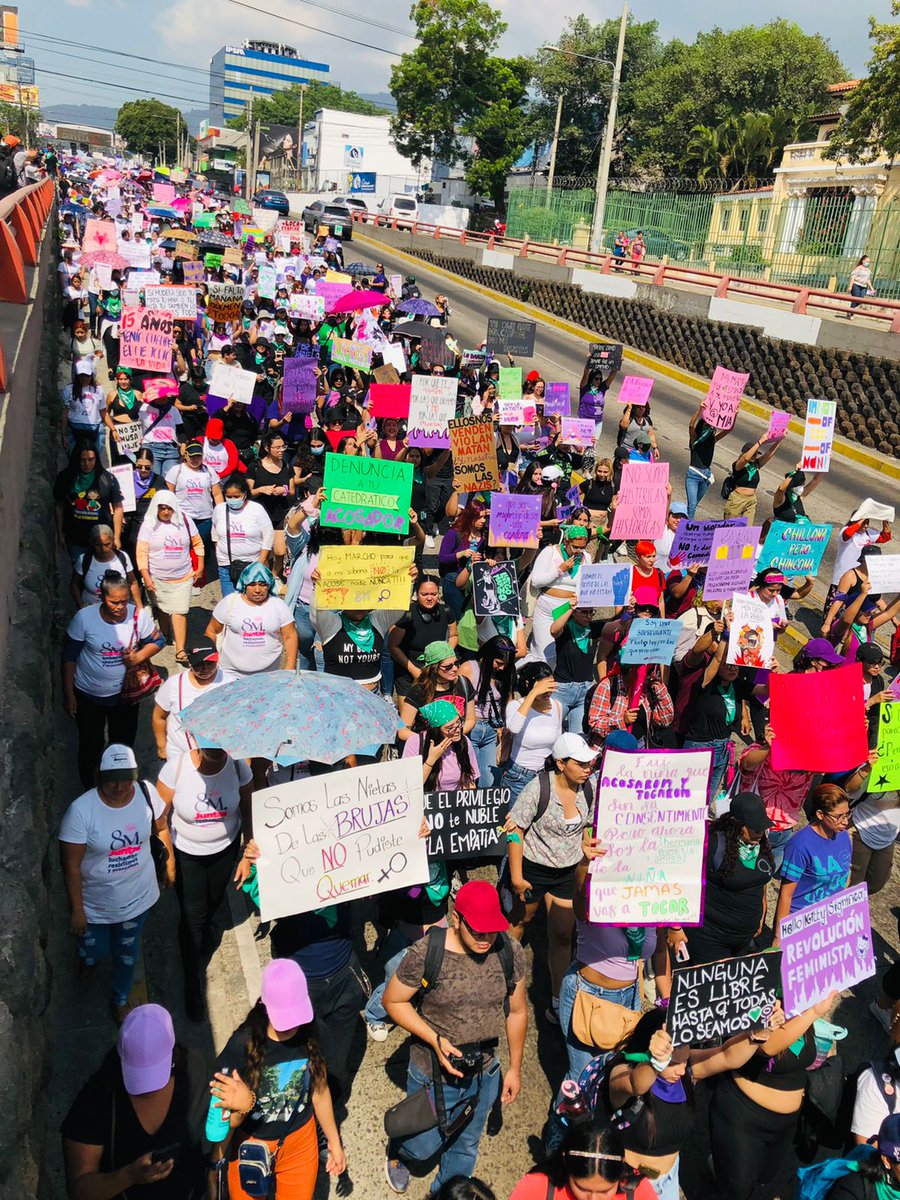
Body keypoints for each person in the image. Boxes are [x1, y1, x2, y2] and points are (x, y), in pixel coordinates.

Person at [383, 881, 527, 1195]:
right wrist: (433, 1039)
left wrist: (514, 1068)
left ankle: (445, 1193)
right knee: (420, 1145)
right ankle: (400, 1153)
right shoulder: (426, 952)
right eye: (477, 930)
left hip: (485, 1072)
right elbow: (393, 1001)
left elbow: (517, 1012)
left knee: (466, 1146)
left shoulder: (509, 951)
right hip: (432, 1072)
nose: (486, 938)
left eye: (492, 930)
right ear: (457, 919)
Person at [208, 959, 346, 1200]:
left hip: (300, 1144)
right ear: (264, 1004)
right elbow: (222, 1119)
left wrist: (334, 1141)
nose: (291, 1027)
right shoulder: (240, 1046)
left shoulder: (313, 1031)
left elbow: (319, 1090)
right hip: (250, 1144)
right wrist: (215, 1164)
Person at [58, 745, 172, 1023]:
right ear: (99, 776)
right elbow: (71, 866)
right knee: (94, 949)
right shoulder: (81, 812)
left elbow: (161, 827)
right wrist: (77, 910)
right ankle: (89, 960)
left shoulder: (147, 794)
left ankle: (120, 998)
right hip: (95, 904)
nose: (119, 786)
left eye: (126, 777)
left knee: (127, 952)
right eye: (111, 779)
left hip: (137, 899)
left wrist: (169, 864)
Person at [61, 1004, 205, 1199]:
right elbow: (80, 1191)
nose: (148, 1089)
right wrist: (129, 1175)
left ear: (173, 1055)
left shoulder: (196, 1070)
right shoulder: (96, 1099)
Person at [708, 992, 839, 1200]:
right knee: (737, 1191)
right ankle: (723, 1165)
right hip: (743, 1119)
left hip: (784, 1125)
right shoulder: (761, 996)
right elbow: (768, 1046)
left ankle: (722, 1164)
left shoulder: (800, 1003)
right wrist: (814, 1012)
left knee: (763, 1177)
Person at [156, 743, 253, 1021]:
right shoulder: (176, 769)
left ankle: (204, 932)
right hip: (188, 855)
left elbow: (248, 809)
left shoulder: (238, 767)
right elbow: (160, 819)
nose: (215, 751)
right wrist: (169, 860)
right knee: (192, 918)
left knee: (214, 902)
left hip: (225, 851)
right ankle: (192, 980)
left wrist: (247, 852)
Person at [505, 733, 597, 1023]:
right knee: (518, 926)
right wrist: (517, 878)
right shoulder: (538, 789)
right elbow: (515, 830)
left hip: (567, 872)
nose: (588, 768)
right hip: (532, 870)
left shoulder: (589, 789)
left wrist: (586, 844)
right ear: (560, 763)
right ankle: (502, 982)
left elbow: (587, 826)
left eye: (590, 763)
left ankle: (559, 1001)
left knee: (561, 937)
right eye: (581, 763)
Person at [62, 571, 165, 786]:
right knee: (91, 745)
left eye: (123, 601)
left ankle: (121, 786)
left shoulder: (137, 616)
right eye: (113, 602)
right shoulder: (84, 619)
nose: (120, 607)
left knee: (122, 746)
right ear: (101, 597)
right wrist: (69, 694)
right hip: (89, 695)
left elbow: (158, 641)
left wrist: (137, 657)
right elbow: (69, 657)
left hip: (125, 697)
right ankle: (90, 788)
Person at [681, 793, 775, 965]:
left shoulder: (760, 842)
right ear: (738, 824)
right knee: (709, 987)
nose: (760, 832)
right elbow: (685, 882)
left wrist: (762, 912)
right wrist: (676, 928)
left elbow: (761, 883)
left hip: (743, 938)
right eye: (755, 828)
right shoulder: (714, 845)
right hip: (711, 937)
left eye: (762, 827)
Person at [136, 491, 205, 666]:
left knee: (179, 610)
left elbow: (198, 543)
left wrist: (201, 566)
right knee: (162, 607)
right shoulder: (149, 525)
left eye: (169, 508)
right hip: (157, 577)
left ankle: (180, 650)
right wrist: (146, 576)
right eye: (162, 508)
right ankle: (165, 634)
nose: (166, 512)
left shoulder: (185, 521)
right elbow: (141, 553)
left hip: (183, 577)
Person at [773, 783, 852, 935]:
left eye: (847, 814)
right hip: (800, 923)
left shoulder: (844, 836)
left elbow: (846, 874)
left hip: (831, 921)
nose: (845, 821)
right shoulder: (799, 845)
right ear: (820, 814)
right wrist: (779, 936)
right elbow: (785, 895)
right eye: (838, 816)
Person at [510, 1122, 658, 1200]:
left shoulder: (638, 1191)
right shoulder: (538, 1186)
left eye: (605, 1191)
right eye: (582, 1189)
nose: (593, 1199)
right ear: (565, 1162)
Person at [206, 561, 298, 678]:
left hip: (269, 675)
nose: (257, 590)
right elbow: (212, 631)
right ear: (244, 584)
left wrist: (290, 666)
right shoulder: (229, 603)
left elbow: (290, 635)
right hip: (231, 674)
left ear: (269, 585)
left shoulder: (278, 605)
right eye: (252, 584)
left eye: (262, 584)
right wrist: (210, 661)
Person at [152, 636, 235, 761]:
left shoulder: (231, 683)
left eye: (210, 663)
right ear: (189, 663)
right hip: (180, 756)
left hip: (219, 758)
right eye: (199, 665)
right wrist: (162, 747)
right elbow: (159, 716)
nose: (206, 669)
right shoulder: (174, 685)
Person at [501, 661, 564, 805]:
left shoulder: (557, 706)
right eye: (543, 687)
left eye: (550, 686)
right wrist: (533, 693)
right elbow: (514, 728)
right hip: (518, 776)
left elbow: (558, 742)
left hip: (546, 776)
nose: (547, 692)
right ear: (529, 683)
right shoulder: (515, 706)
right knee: (514, 824)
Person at [54, 440, 124, 568]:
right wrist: (60, 534)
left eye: (91, 459)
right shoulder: (65, 478)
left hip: (102, 539)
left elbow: (118, 507)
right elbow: (59, 506)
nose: (87, 464)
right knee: (80, 572)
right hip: (75, 538)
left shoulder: (108, 479)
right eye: (82, 460)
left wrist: (117, 537)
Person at [459, 635, 517, 788]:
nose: (502, 668)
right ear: (488, 655)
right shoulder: (469, 668)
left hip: (493, 731)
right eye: (498, 663)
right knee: (472, 777)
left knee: (490, 780)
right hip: (472, 728)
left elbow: (508, 702)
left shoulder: (505, 673)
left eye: (506, 664)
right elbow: (458, 701)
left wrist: (506, 729)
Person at [529, 525, 591, 668]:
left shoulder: (586, 557)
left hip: (570, 611)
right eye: (575, 547)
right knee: (544, 655)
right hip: (547, 610)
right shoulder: (550, 552)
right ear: (566, 541)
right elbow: (536, 581)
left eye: (582, 547)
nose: (579, 551)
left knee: (563, 655)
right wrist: (559, 570)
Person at [390, 579, 459, 701]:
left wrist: (444, 655)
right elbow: (393, 646)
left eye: (433, 594)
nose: (429, 598)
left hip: (435, 670)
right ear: (417, 594)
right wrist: (413, 669)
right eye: (424, 594)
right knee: (408, 718)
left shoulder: (446, 611)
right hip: (409, 670)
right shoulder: (406, 614)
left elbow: (453, 636)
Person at [210, 474, 275, 597]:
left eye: (236, 496)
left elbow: (268, 535)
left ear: (244, 494)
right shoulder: (219, 509)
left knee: (252, 600)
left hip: (253, 564)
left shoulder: (256, 509)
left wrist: (261, 561)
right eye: (229, 496)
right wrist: (220, 553)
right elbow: (214, 534)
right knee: (230, 602)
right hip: (226, 565)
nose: (232, 499)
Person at [399, 641, 476, 739]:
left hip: (456, 748)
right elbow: (402, 731)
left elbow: (470, 719)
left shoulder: (464, 683)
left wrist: (454, 735)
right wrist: (431, 741)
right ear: (434, 668)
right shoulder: (419, 690)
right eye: (448, 667)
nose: (455, 668)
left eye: (456, 663)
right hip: (430, 749)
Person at [71, 522, 140, 609]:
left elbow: (133, 582)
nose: (103, 549)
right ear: (92, 543)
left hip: (118, 608)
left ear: (113, 541)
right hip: (91, 607)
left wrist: (138, 605)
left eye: (107, 544)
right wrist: (80, 605)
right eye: (98, 545)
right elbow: (74, 584)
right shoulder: (84, 560)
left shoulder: (123, 557)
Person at [723, 435, 779, 522]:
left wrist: (779, 440)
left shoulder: (756, 464)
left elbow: (769, 454)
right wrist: (760, 442)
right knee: (730, 530)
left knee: (747, 531)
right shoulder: (738, 465)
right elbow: (745, 458)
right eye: (753, 454)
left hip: (751, 501)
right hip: (737, 500)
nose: (755, 456)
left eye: (756, 454)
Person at [848, 254, 876, 319]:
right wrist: (850, 286)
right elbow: (853, 277)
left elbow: (868, 279)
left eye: (869, 262)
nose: (868, 263)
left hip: (863, 286)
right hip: (856, 285)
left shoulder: (868, 270)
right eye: (867, 261)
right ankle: (852, 314)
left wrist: (871, 287)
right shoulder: (859, 268)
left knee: (861, 300)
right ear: (863, 261)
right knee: (855, 299)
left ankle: (850, 310)